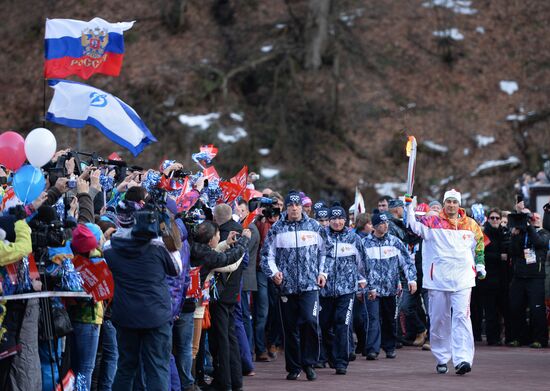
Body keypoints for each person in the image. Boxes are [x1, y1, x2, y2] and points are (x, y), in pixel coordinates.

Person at [407, 189, 485, 375]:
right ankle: (442, 357)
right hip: (438, 279)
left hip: (463, 278)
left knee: (462, 318)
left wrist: (480, 264)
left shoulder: (471, 224)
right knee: (439, 319)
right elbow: (411, 225)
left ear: (459, 204)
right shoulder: (432, 221)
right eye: (448, 201)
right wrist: (408, 205)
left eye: (454, 202)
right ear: (444, 203)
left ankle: (463, 359)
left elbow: (480, 245)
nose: (451, 205)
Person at [104, 202, 181, 390]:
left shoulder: (110, 247)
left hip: (125, 315)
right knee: (157, 368)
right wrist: (167, 234)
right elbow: (177, 269)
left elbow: (106, 256)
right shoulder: (159, 247)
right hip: (156, 316)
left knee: (125, 367)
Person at [260, 190, 326, 381]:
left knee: (310, 322)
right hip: (286, 287)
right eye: (291, 205)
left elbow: (326, 252)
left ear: (302, 207)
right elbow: (267, 256)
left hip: (310, 286)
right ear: (286, 207)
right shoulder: (277, 229)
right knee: (290, 328)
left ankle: (309, 363)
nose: (294, 208)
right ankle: (294, 367)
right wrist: (274, 274)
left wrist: (322, 273)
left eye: (297, 205)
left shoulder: (314, 226)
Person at [319, 205, 369, 375]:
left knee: (343, 323)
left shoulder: (353, 238)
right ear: (329, 221)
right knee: (324, 325)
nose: (337, 222)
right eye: (333, 219)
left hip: (347, 289)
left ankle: (341, 362)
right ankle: (330, 356)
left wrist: (362, 279)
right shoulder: (322, 235)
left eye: (340, 219)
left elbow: (362, 261)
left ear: (345, 220)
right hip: (324, 290)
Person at [362, 213, 417, 360]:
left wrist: (411, 280)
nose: (385, 225)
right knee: (373, 318)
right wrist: (360, 285)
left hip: (391, 288)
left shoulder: (394, 242)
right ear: (373, 226)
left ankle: (389, 347)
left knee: (389, 319)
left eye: (386, 222)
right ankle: (373, 349)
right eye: (381, 223)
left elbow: (406, 262)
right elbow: (358, 267)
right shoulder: (365, 243)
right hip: (371, 289)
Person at [507, 211, 549, 348]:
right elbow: (513, 251)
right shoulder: (521, 233)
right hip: (519, 276)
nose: (534, 220)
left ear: (541, 221)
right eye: (532, 218)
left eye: (537, 218)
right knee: (515, 308)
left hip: (535, 278)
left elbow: (538, 242)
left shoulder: (544, 233)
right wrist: (514, 236)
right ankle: (518, 338)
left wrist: (529, 227)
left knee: (537, 310)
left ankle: (539, 339)